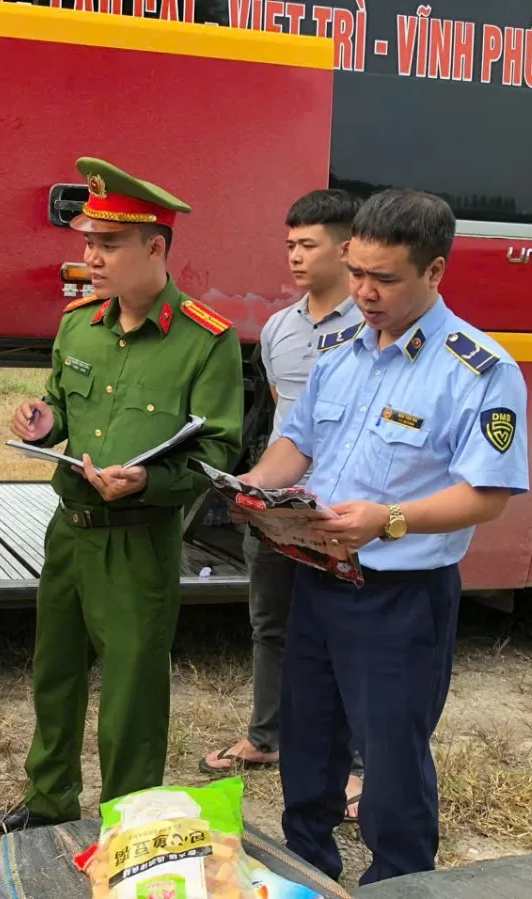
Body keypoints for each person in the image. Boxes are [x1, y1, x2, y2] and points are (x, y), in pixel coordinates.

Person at [236, 189, 529, 885]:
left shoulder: (479, 370)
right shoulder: (340, 351)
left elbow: (485, 494)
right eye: (358, 271)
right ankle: (306, 867)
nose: (364, 292)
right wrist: (249, 487)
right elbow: (296, 445)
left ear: (434, 273)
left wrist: (388, 519)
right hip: (318, 577)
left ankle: (399, 878)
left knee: (391, 757)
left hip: (400, 595)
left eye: (385, 279)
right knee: (307, 744)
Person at [0, 157, 244, 834]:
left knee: (131, 694)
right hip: (69, 529)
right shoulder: (78, 323)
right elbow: (63, 406)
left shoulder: (206, 343)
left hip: (137, 541)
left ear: (155, 247)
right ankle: (48, 802)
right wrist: (44, 422)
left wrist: (150, 480)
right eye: (87, 241)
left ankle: (127, 825)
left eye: (107, 243)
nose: (89, 256)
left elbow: (216, 455)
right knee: (54, 675)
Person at [200, 189, 367, 823]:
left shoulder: (372, 324)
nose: (294, 256)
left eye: (308, 245)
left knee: (345, 636)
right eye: (289, 244)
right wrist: (255, 490)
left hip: (340, 513)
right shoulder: (278, 329)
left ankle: (355, 766)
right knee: (270, 624)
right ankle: (265, 738)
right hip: (279, 505)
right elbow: (285, 418)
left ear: (346, 248)